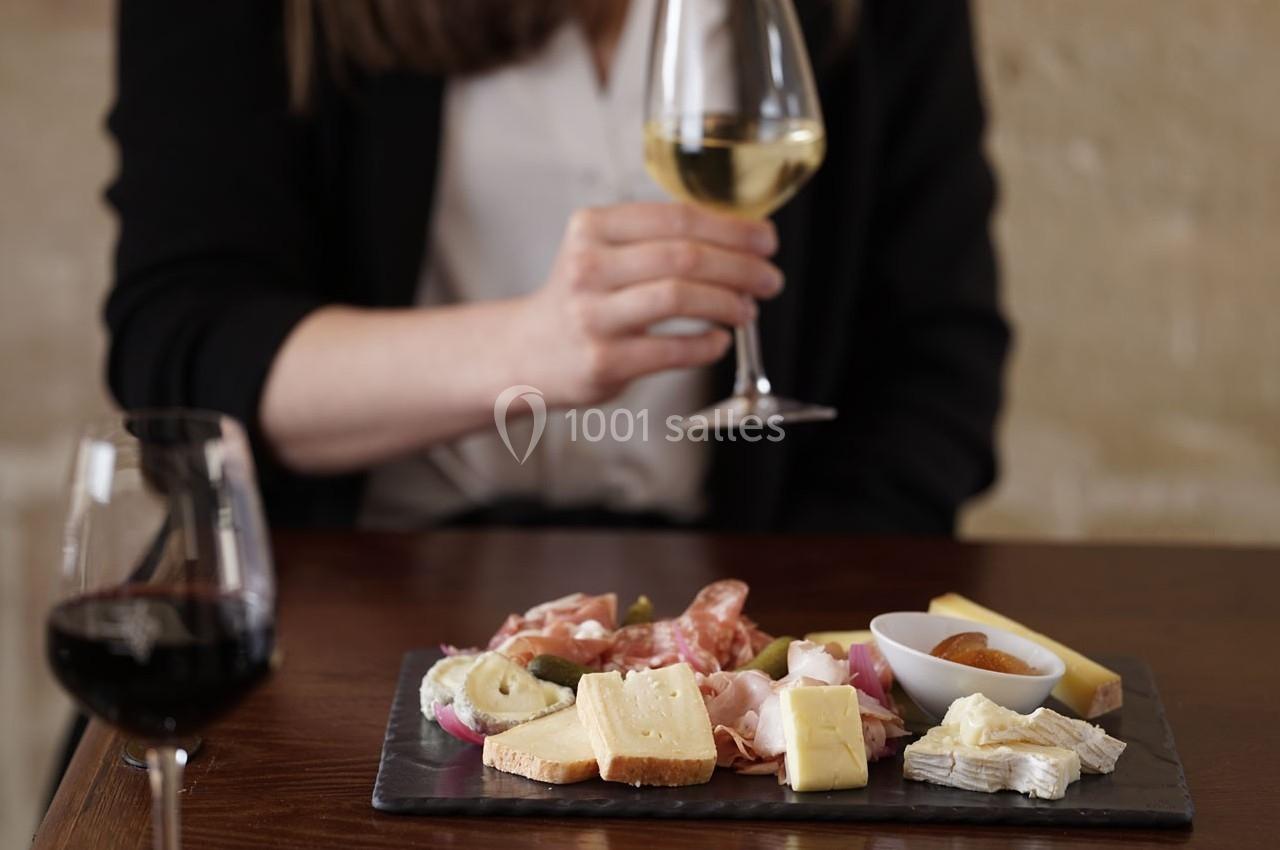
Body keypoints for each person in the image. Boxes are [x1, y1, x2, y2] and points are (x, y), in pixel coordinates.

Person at [103, 0, 1009, 535]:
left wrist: (791, 633)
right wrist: (527, 350)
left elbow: (939, 362)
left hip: (733, 616)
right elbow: (181, 347)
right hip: (351, 605)